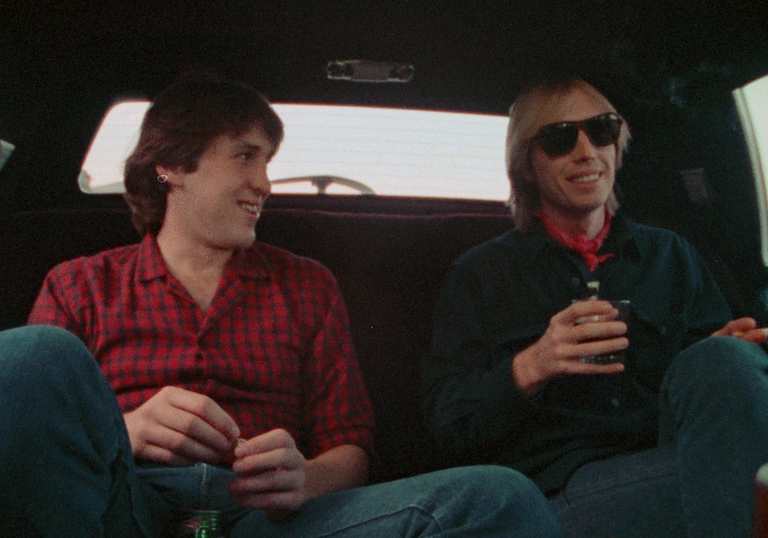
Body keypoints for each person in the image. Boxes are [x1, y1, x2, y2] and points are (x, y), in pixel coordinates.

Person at [7, 74, 562, 538]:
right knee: (33, 355)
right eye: (246, 157)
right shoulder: (80, 284)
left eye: (268, 160)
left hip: (271, 523)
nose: (265, 183)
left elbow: (351, 451)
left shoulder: (305, 285)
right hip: (121, 507)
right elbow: (28, 430)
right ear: (170, 166)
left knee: (499, 498)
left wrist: (305, 480)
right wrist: (121, 433)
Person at [421, 75, 768, 538]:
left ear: (616, 144)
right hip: (562, 489)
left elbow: (715, 403)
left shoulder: (671, 253)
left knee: (726, 359)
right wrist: (531, 366)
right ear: (526, 165)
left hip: (673, 451)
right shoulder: (481, 274)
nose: (586, 151)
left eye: (601, 130)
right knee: (743, 476)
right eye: (560, 138)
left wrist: (716, 359)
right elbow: (448, 425)